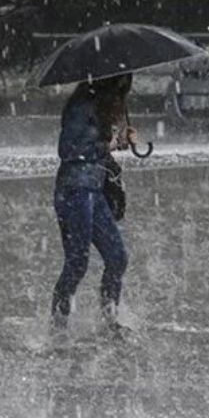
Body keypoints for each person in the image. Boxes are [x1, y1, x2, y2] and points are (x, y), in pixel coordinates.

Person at [50, 73, 138, 334]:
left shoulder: (99, 106)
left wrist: (120, 142)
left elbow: (94, 146)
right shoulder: (82, 106)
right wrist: (108, 144)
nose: (123, 96)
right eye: (122, 89)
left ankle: (110, 320)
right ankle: (58, 326)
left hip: (94, 189)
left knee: (117, 257)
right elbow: (68, 150)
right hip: (74, 190)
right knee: (77, 262)